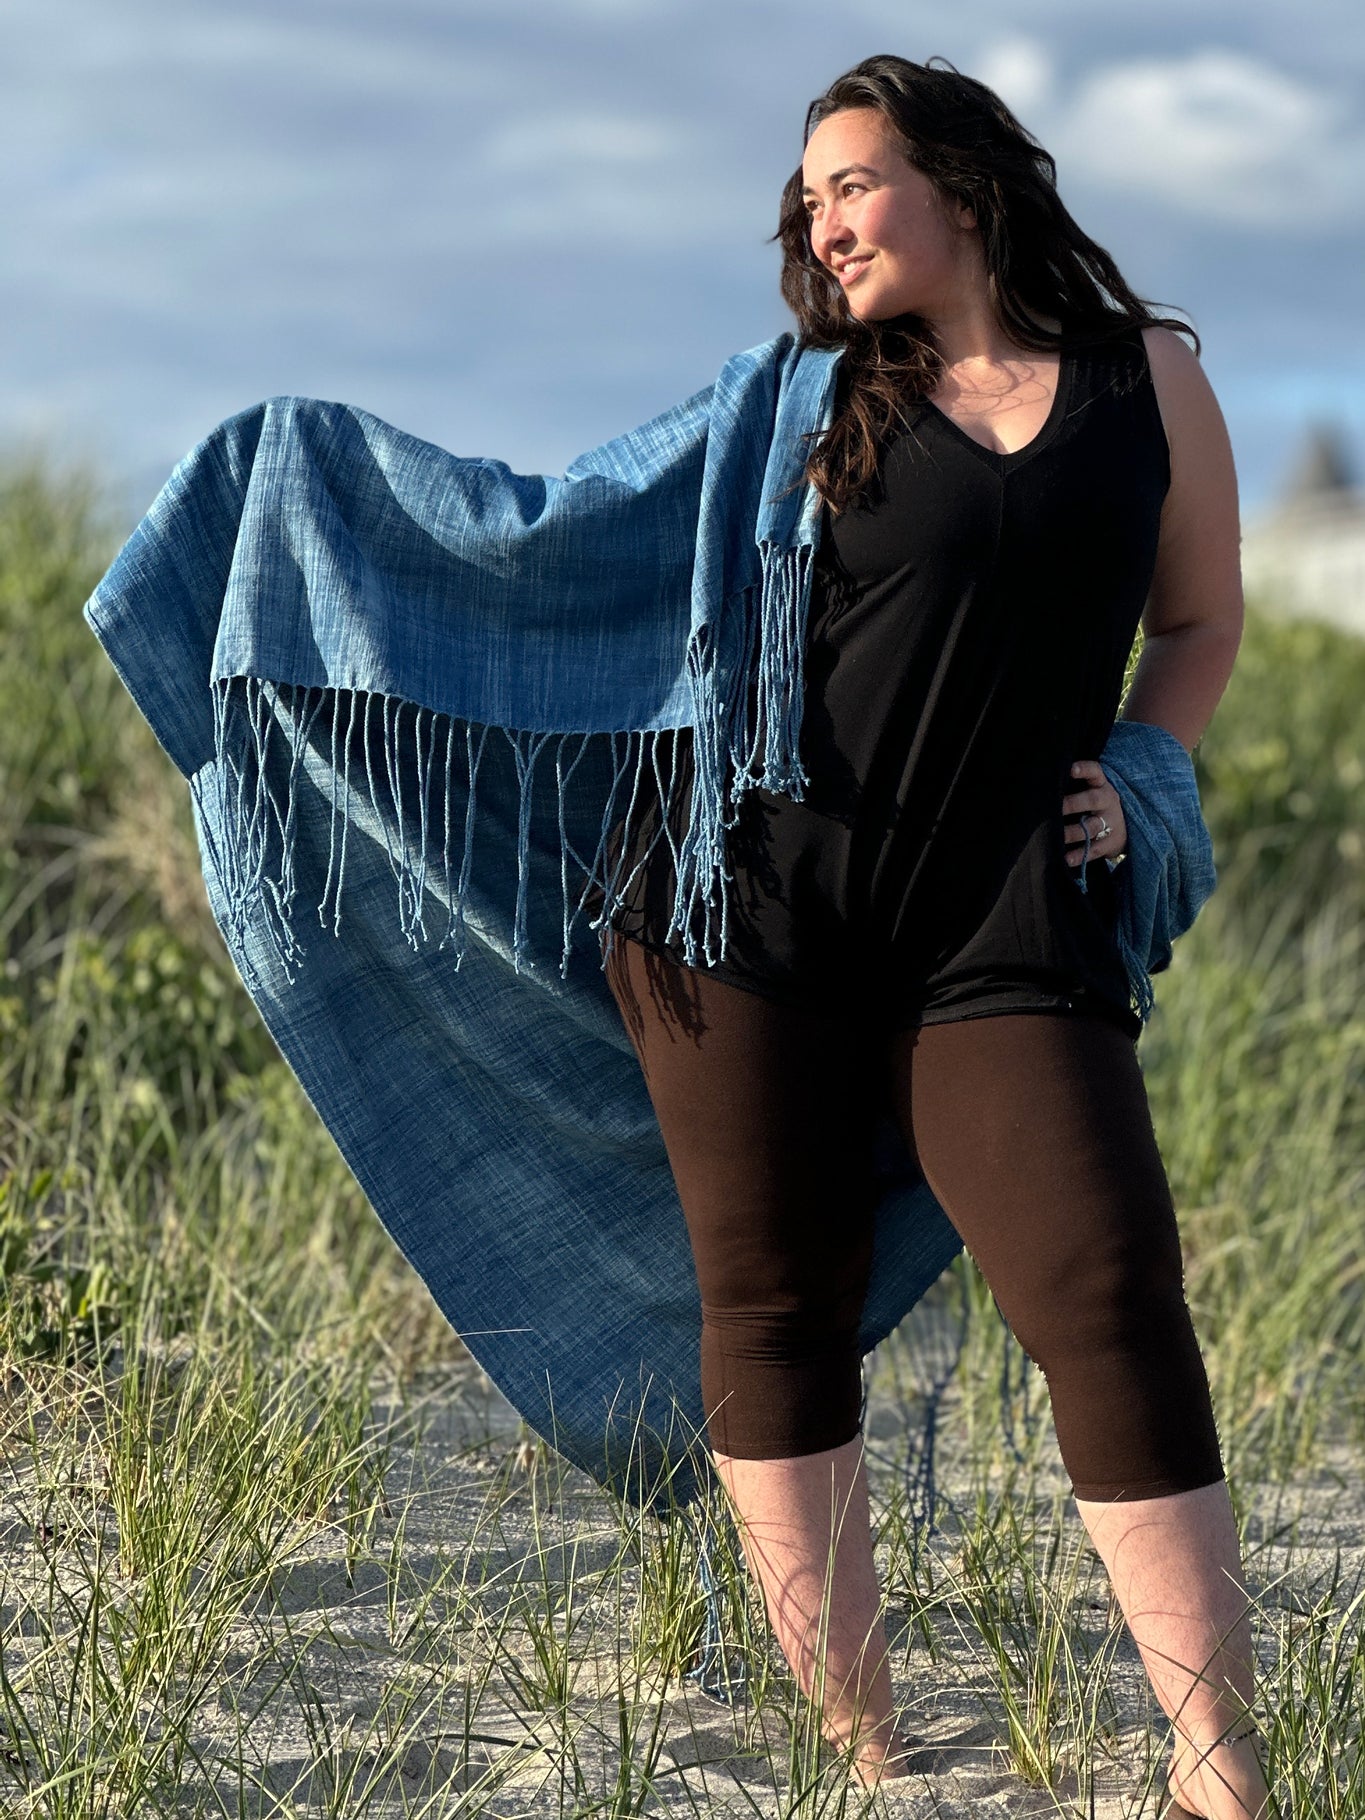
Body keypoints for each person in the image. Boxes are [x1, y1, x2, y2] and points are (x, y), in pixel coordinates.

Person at [596, 54, 1270, 1819]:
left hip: (1003, 907)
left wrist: (1143, 766)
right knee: (771, 1308)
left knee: (1107, 1294)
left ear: (961, 182)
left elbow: (1197, 618)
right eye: (803, 200)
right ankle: (862, 1758)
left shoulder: (1148, 382)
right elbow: (574, 563)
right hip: (748, 910)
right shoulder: (794, 407)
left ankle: (1220, 1772)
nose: (819, 221)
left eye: (850, 180)